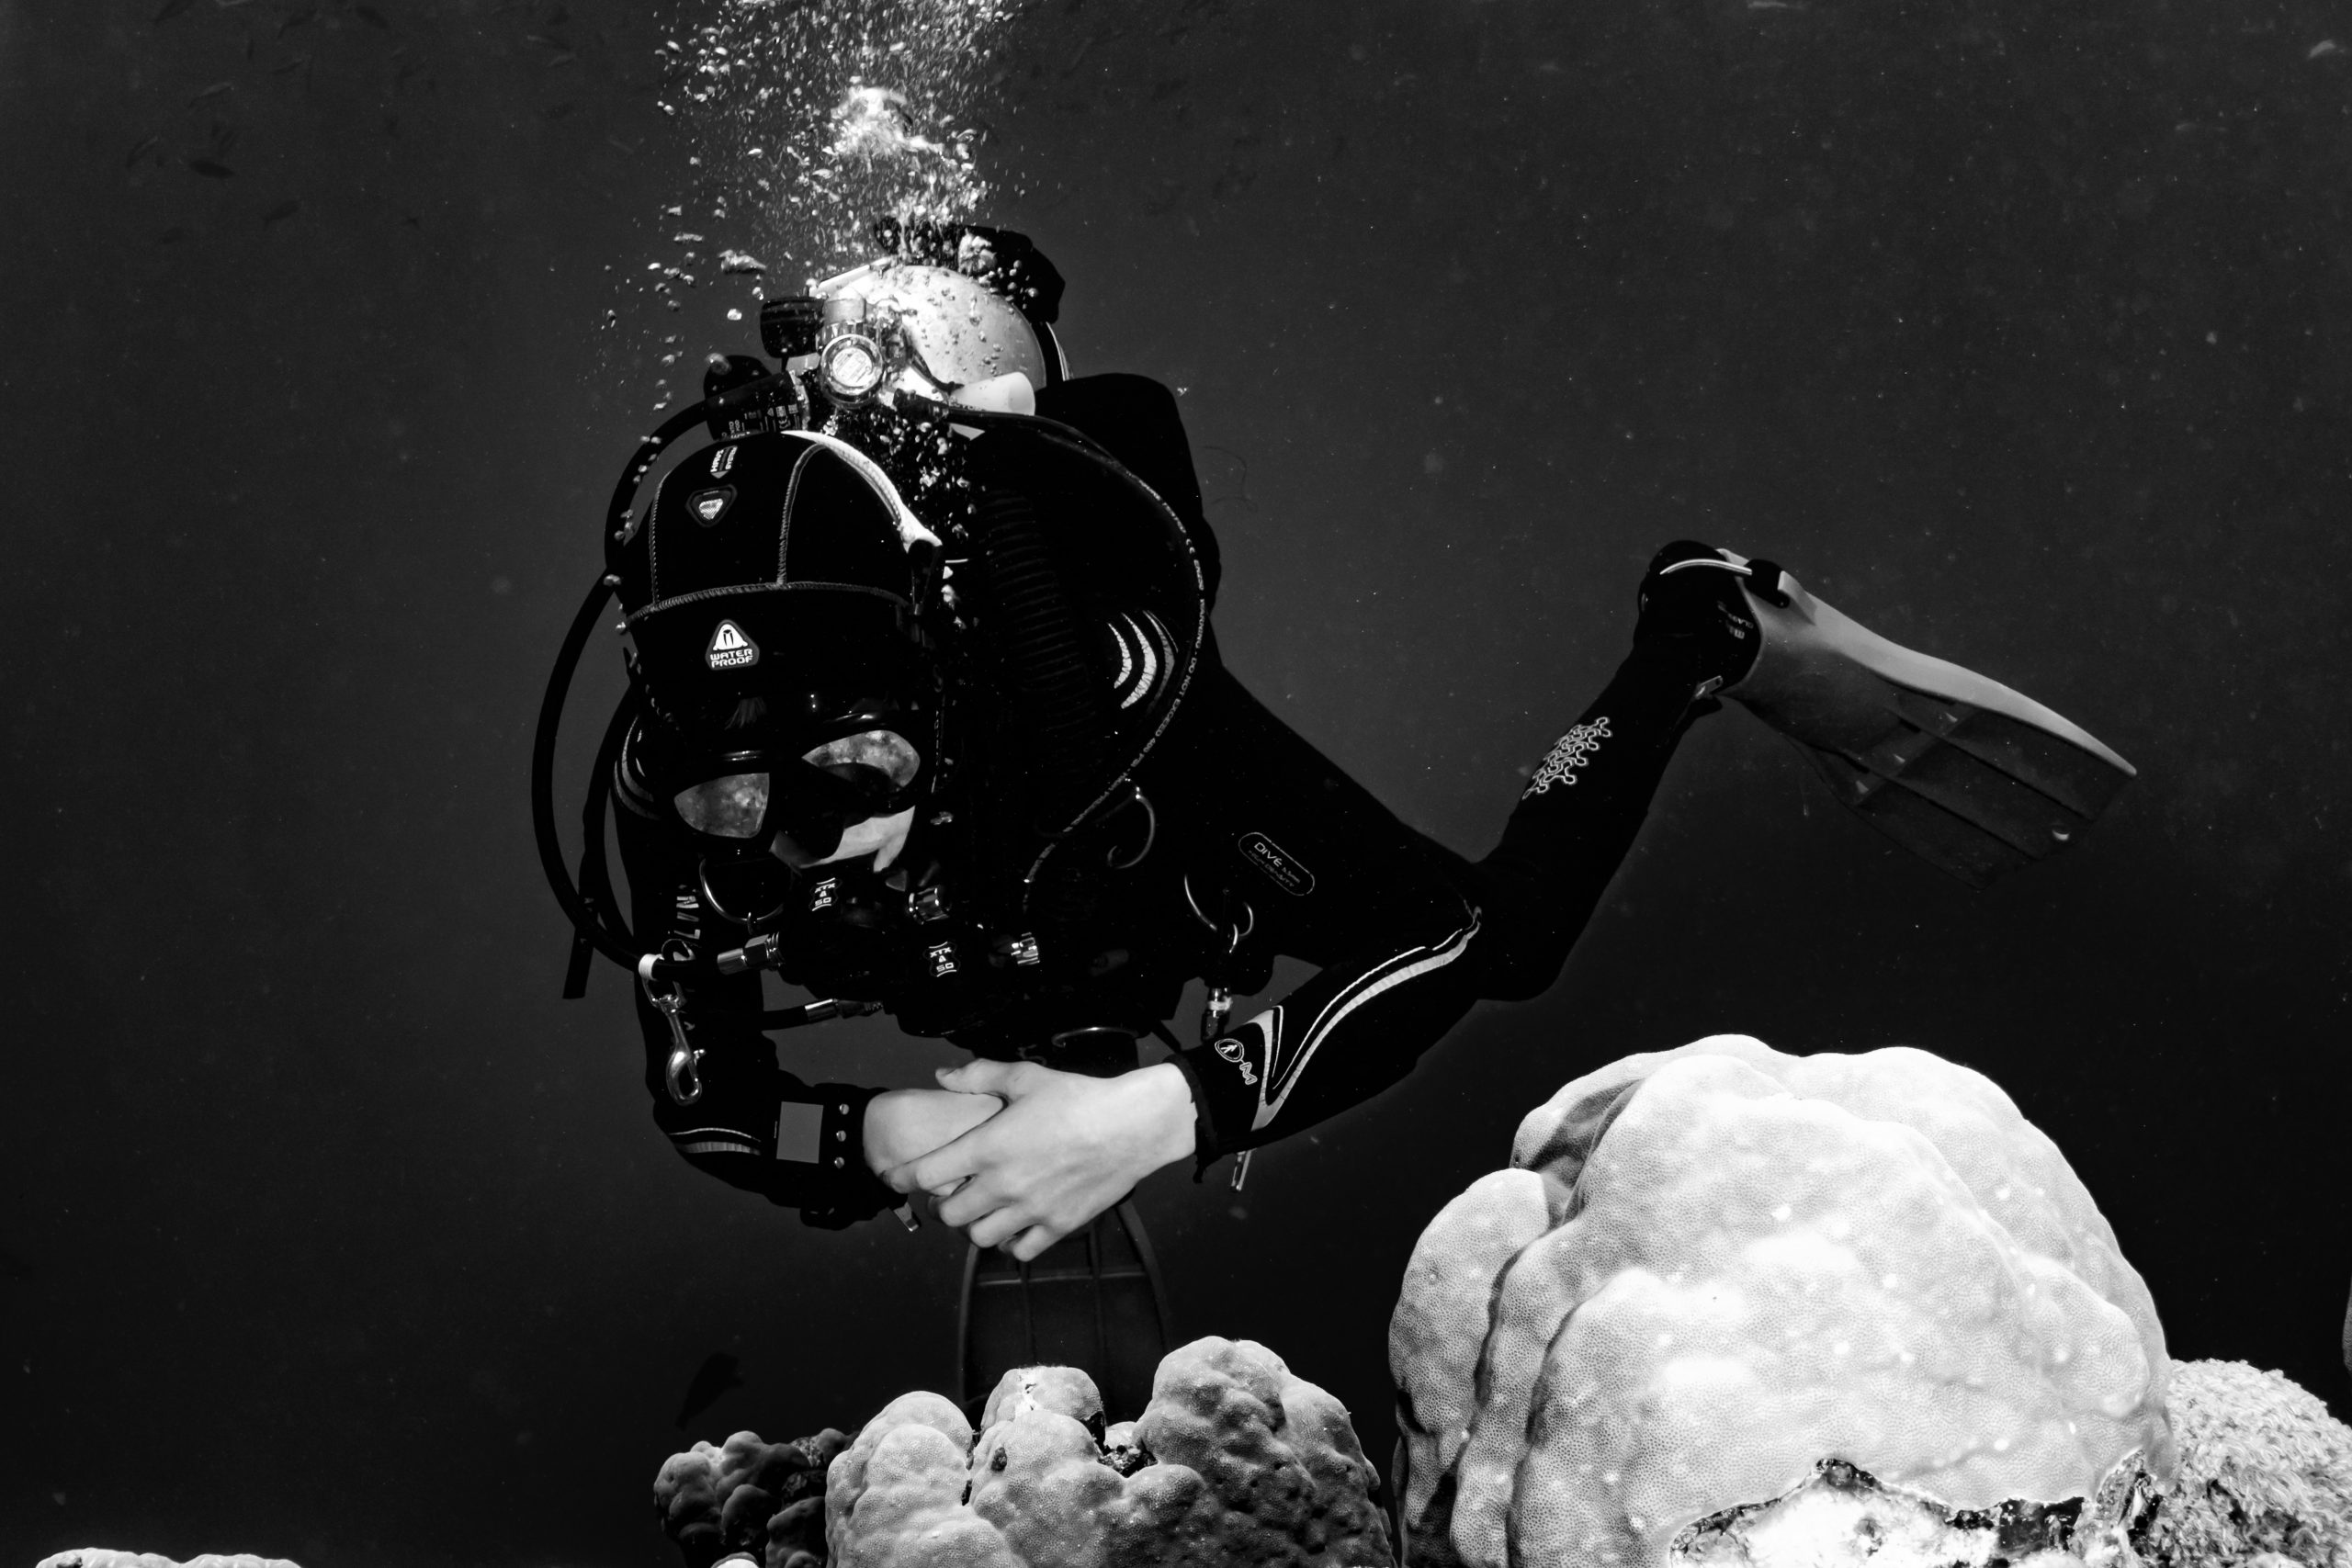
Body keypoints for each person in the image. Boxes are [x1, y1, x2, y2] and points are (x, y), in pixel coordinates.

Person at [584, 221, 2134, 1274]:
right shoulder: (670, 784)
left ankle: (1700, 625)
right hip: (1019, 923)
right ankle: (1070, 1050)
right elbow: (701, 1089)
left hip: (1105, 832)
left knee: (1510, 941)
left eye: (855, 773)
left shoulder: (1081, 697)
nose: (802, 834)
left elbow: (1438, 938)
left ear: (938, 694)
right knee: (1031, 985)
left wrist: (1171, 1112)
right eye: (738, 796)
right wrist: (868, 1136)